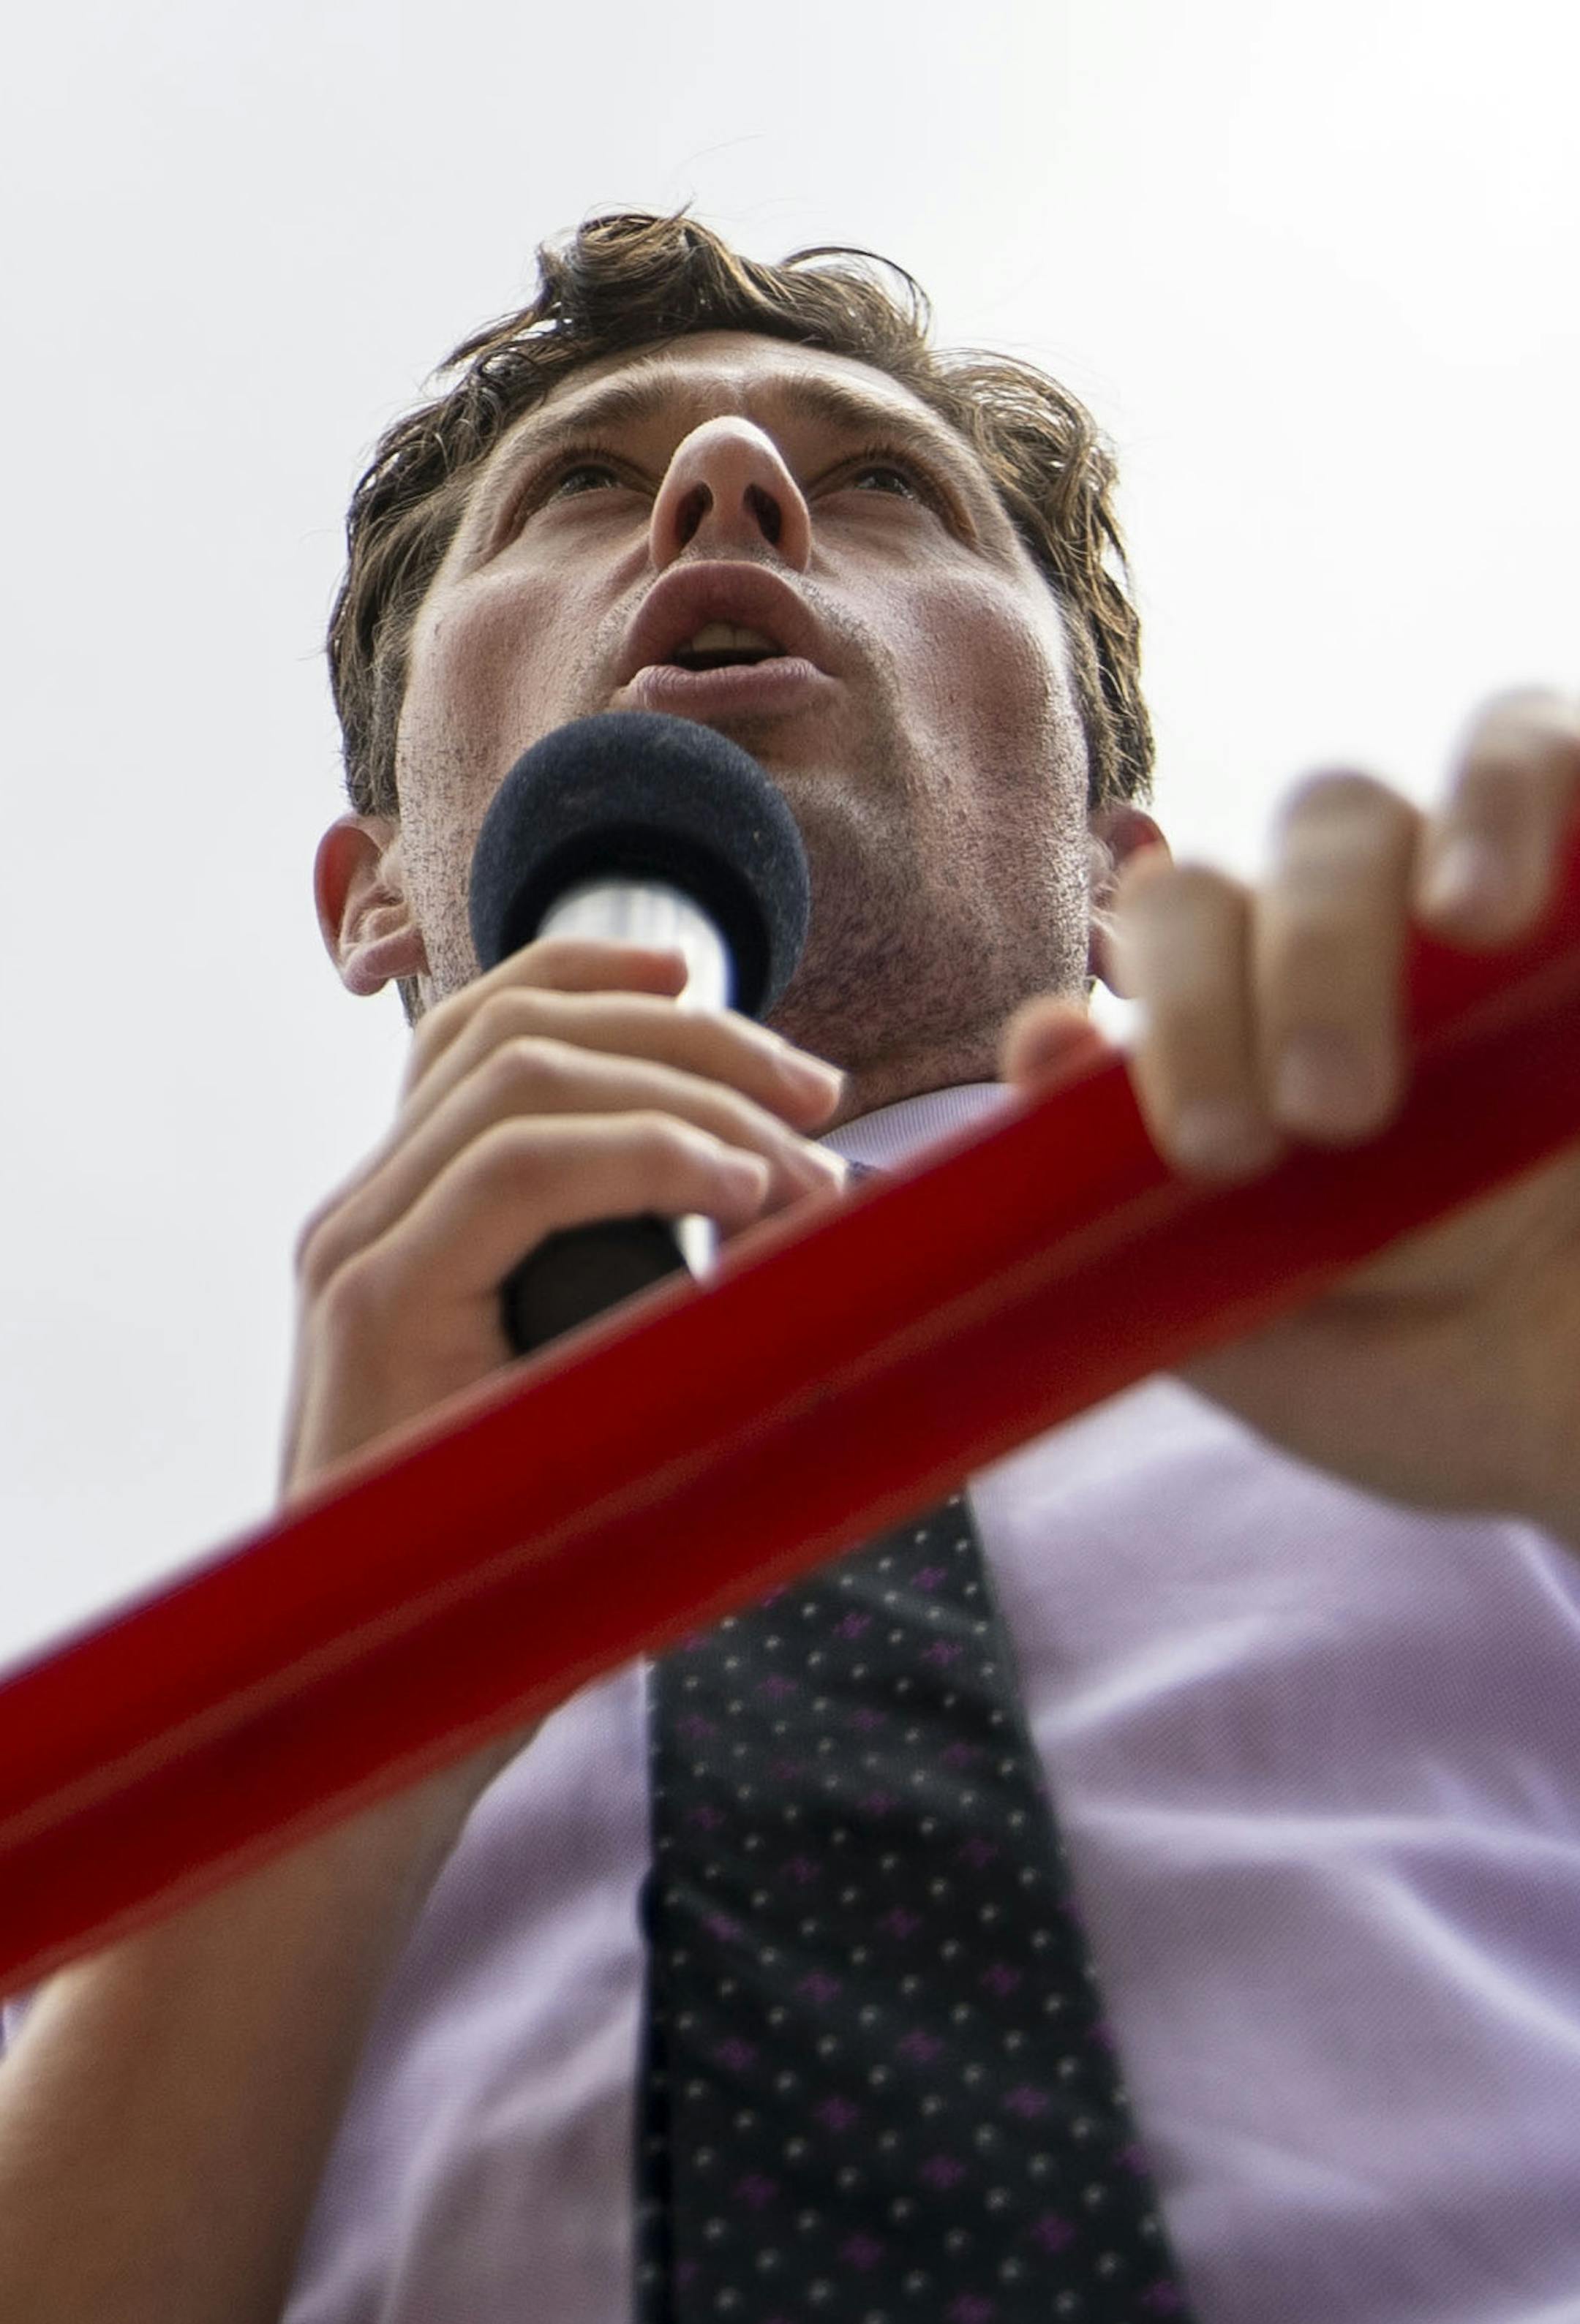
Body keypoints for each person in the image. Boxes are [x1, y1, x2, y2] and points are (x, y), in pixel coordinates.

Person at [2, 208, 1579, 2324]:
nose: (721, 478)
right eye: (573, 485)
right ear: (375, 885)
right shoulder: (98, 1810)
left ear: (1121, 871)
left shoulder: (1490, 1326)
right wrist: (343, 1672)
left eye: (882, 487)